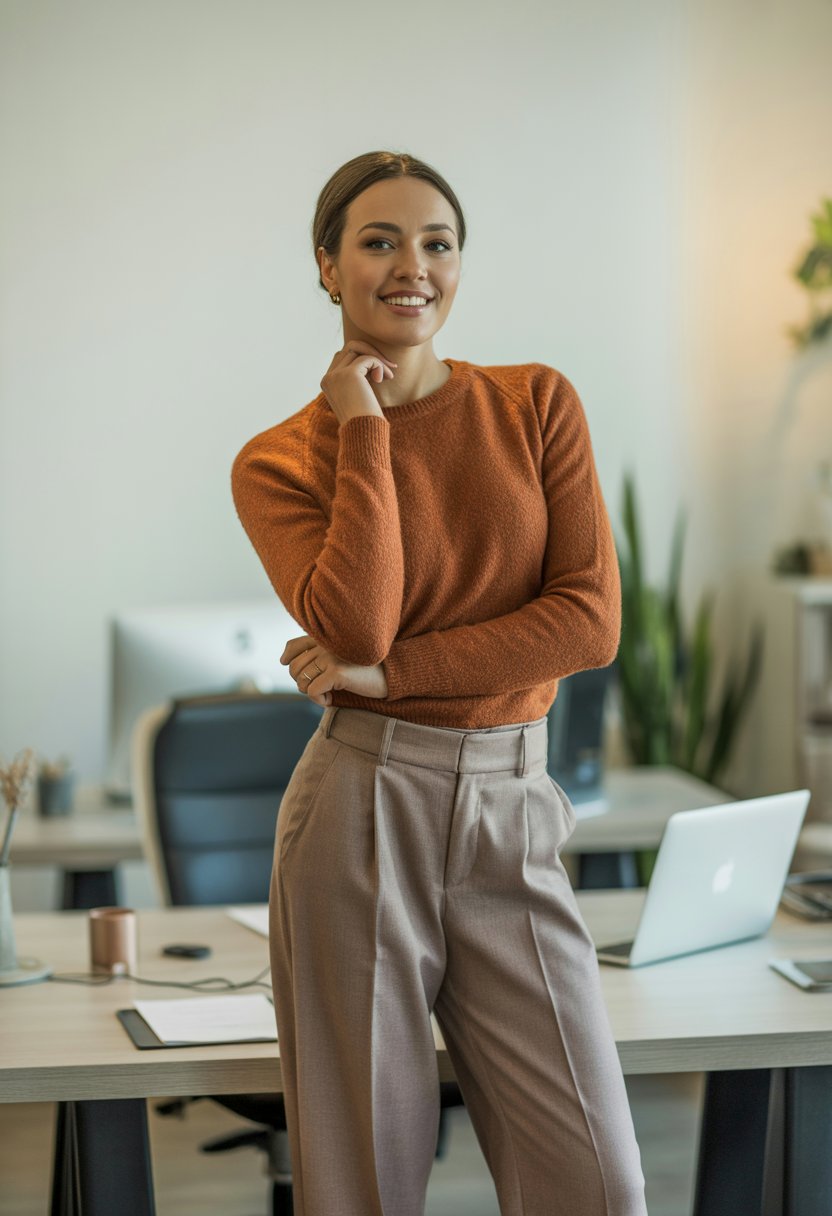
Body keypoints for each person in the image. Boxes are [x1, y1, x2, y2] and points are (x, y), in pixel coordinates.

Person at [231, 149, 648, 1216]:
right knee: (364, 1185)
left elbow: (588, 623)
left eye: (437, 242)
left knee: (595, 1182)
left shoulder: (536, 403)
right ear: (326, 267)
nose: (411, 265)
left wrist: (390, 672)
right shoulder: (279, 460)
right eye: (378, 241)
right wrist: (361, 427)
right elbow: (354, 618)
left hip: (515, 803)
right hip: (362, 810)